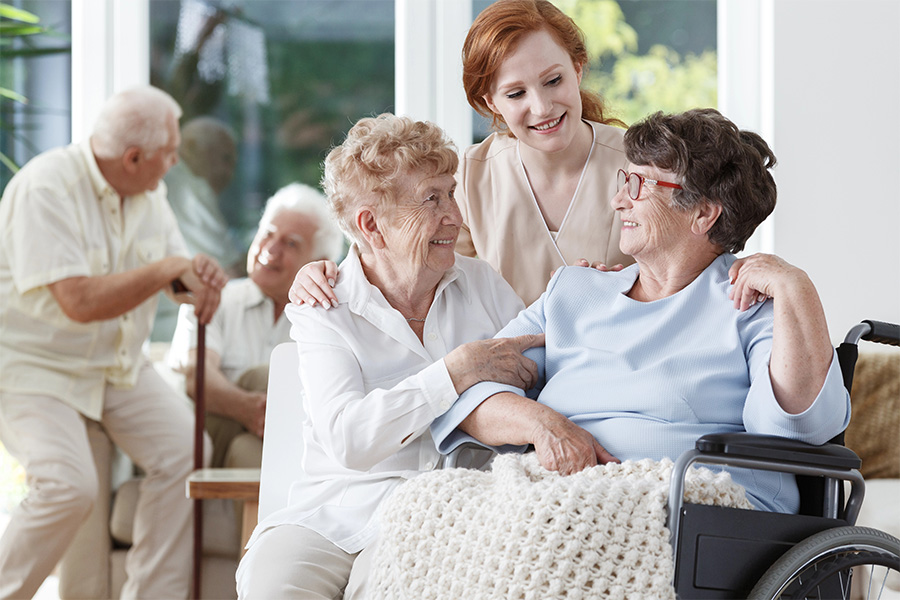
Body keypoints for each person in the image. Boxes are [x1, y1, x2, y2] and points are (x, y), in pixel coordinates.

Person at [430, 108, 851, 514]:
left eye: (639, 185)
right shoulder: (573, 290)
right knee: (424, 508)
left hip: (695, 510)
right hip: (560, 497)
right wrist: (545, 426)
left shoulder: (750, 306)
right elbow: (472, 393)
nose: (617, 201)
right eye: (624, 179)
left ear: (703, 213)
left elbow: (799, 430)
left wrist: (797, 288)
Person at [236, 113, 544, 599]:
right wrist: (455, 373)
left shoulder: (483, 285)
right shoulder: (324, 306)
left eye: (451, 192)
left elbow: (538, 371)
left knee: (393, 587)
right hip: (330, 511)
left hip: (437, 510)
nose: (454, 216)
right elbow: (350, 439)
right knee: (272, 587)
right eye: (431, 199)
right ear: (371, 225)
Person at [0, 85, 227, 599]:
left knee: (184, 447)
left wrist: (195, 283)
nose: (174, 163)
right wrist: (169, 268)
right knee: (67, 486)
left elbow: (170, 272)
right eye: (170, 152)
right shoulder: (46, 188)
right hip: (38, 369)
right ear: (133, 158)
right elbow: (78, 301)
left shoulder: (150, 193)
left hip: (118, 366)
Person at [289, 0, 632, 308]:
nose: (541, 107)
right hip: (506, 371)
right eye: (515, 93)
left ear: (578, 68)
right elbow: (413, 271)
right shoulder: (465, 177)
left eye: (553, 80)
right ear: (490, 102)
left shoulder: (642, 165)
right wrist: (326, 275)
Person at [168, 182, 345, 470]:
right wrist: (247, 409)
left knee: (247, 450)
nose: (270, 250)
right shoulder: (215, 299)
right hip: (212, 439)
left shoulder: (326, 320)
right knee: (264, 377)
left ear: (319, 262)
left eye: (291, 243)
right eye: (268, 234)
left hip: (287, 450)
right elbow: (195, 376)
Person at [153, 116, 244, 341]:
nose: (229, 172)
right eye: (224, 159)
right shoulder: (187, 187)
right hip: (170, 323)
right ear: (192, 149)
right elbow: (226, 270)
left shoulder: (177, 182)